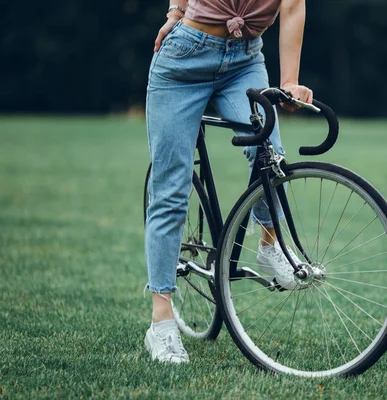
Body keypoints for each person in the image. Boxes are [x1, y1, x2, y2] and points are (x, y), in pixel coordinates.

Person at [144, 0, 313, 363]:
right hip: (185, 59)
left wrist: (289, 82)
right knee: (170, 191)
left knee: (271, 156)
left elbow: (294, 6)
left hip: (245, 61)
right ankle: (161, 323)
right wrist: (175, 12)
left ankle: (270, 245)